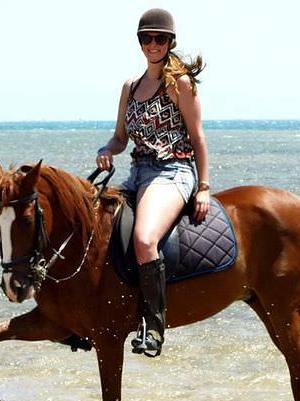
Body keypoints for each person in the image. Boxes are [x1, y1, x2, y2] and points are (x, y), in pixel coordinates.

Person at [95, 7, 210, 357]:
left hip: (174, 171)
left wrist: (203, 186)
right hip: (138, 172)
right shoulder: (130, 88)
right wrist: (107, 149)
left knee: (145, 239)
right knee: (94, 221)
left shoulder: (180, 85)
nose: (153, 44)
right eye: (147, 38)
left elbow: (198, 138)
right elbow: (120, 137)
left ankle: (154, 326)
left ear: (170, 42)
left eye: (160, 38)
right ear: (140, 43)